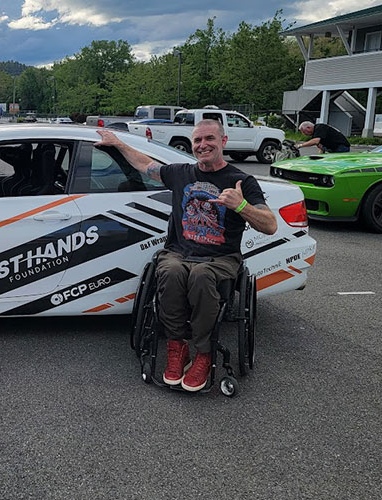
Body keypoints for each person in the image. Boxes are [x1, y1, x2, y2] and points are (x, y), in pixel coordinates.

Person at [96, 120, 277, 391]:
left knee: (202, 276)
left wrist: (241, 205)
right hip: (179, 252)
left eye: (209, 139)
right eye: (197, 141)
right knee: (168, 271)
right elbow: (146, 166)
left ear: (223, 142)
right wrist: (119, 144)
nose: (203, 145)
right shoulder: (181, 173)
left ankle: (204, 354)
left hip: (221, 257)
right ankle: (177, 347)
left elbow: (270, 225)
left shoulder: (242, 181)